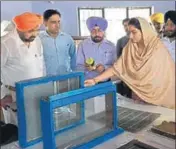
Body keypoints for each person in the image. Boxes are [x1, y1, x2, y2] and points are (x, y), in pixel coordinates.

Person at [85, 17, 175, 109]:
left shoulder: (157, 48)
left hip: (158, 96)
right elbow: (117, 68)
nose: (130, 36)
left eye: (134, 32)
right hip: (137, 94)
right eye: (129, 32)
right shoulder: (131, 47)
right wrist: (95, 80)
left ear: (144, 31)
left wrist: (145, 91)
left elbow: (163, 77)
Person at [1, 12, 45, 122]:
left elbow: (40, 65)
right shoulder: (5, 44)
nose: (34, 34)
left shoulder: (37, 40)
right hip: (13, 96)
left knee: (36, 127)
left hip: (36, 93)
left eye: (37, 30)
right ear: (19, 29)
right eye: (30, 31)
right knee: (19, 130)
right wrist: (2, 96)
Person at [39, 9, 76, 75]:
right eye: (53, 22)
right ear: (45, 22)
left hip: (66, 77)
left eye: (58, 22)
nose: (57, 25)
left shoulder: (68, 38)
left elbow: (73, 57)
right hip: (46, 79)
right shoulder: (38, 39)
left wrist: (74, 74)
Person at [116, 18, 131, 98]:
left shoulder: (139, 39)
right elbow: (118, 59)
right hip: (125, 73)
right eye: (125, 25)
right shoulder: (120, 41)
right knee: (126, 96)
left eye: (129, 25)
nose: (127, 27)